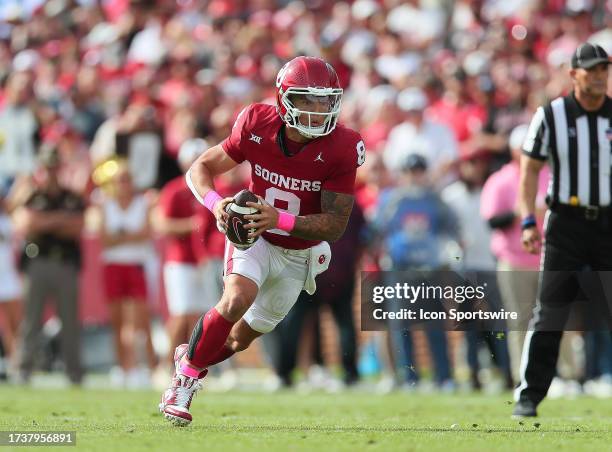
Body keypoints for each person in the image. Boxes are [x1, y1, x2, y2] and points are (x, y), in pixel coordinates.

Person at [159, 56, 365, 425]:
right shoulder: (257, 122)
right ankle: (184, 382)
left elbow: (335, 225)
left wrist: (281, 219)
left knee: (239, 339)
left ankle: (190, 355)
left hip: (298, 253)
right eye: (307, 99)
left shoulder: (342, 146)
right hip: (253, 234)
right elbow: (201, 168)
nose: (318, 110)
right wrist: (214, 203)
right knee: (237, 297)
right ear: (285, 99)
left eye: (325, 100)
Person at [513, 43, 612, 418]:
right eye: (592, 70)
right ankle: (530, 395)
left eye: (604, 69)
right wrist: (527, 219)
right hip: (566, 225)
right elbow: (530, 170)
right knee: (550, 312)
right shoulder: (552, 115)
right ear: (574, 74)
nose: (600, 76)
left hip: (608, 222)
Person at [12, 145, 85, 385]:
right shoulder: (32, 194)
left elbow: (77, 226)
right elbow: (26, 222)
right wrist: (59, 220)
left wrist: (46, 222)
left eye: (54, 166)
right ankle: (24, 370)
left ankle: (74, 373)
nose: (51, 171)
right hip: (37, 262)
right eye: (47, 167)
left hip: (64, 263)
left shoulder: (71, 196)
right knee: (31, 320)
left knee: (70, 321)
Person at [96, 162, 157, 388]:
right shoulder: (106, 205)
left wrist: (120, 236)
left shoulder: (143, 203)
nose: (124, 184)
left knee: (139, 320)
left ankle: (145, 367)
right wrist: (131, 236)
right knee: (117, 321)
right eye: (120, 180)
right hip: (113, 266)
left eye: (127, 179)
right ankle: (123, 367)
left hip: (136, 265)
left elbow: (146, 234)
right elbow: (104, 239)